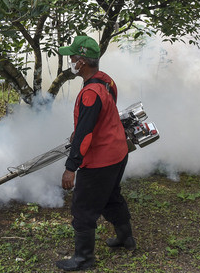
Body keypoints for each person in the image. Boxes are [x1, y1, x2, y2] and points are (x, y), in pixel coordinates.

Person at [55, 35, 136, 271]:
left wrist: (71, 168)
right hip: (118, 152)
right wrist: (82, 127)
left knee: (83, 208)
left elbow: (85, 135)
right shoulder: (106, 81)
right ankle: (126, 238)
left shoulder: (90, 93)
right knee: (111, 196)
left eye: (73, 57)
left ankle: (83, 258)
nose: (70, 60)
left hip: (101, 159)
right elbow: (105, 113)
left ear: (82, 62)